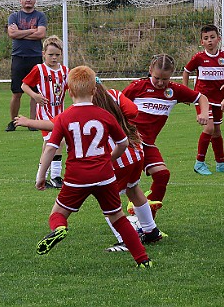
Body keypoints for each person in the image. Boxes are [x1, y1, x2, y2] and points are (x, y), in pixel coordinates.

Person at [15, 79, 163, 252]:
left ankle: (125, 240)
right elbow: (134, 112)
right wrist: (120, 121)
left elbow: (55, 125)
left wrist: (28, 121)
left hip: (112, 158)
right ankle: (151, 230)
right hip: (135, 153)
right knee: (133, 189)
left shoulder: (83, 109)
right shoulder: (114, 94)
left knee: (111, 204)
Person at [122, 54, 209, 218]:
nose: (161, 83)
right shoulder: (138, 86)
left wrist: (204, 113)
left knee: (162, 175)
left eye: (165, 79)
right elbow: (116, 103)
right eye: (157, 78)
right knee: (123, 183)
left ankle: (147, 220)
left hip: (146, 144)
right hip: (128, 142)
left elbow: (201, 97)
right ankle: (130, 220)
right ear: (150, 70)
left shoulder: (174, 90)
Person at [21, 35, 69, 188]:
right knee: (57, 141)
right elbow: (24, 86)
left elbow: (70, 88)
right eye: (50, 55)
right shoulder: (39, 69)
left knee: (50, 144)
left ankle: (45, 177)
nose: (54, 58)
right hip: (45, 114)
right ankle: (54, 176)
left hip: (59, 113)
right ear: (43, 54)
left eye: (57, 55)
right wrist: (35, 95)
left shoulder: (65, 71)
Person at [182, 24, 224, 175]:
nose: (210, 41)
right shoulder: (199, 58)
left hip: (218, 100)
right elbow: (186, 71)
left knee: (217, 131)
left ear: (218, 39)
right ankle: (199, 163)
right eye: (206, 38)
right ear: (202, 42)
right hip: (203, 99)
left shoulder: (223, 57)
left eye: (212, 37)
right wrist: (186, 92)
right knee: (209, 128)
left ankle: (221, 163)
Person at [5, 0, 47, 132]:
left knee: (35, 93)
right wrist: (30, 31)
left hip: (35, 57)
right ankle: (13, 122)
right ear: (20, 0)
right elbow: (12, 34)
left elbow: (41, 34)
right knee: (17, 92)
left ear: (35, 0)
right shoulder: (14, 16)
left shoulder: (40, 16)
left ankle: (32, 123)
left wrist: (20, 33)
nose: (28, 0)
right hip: (18, 57)